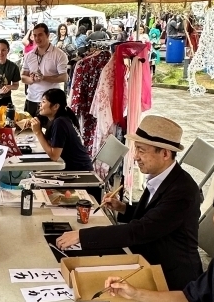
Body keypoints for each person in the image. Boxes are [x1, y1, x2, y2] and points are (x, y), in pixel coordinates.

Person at [56, 115, 202, 289]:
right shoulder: (162, 176)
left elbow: (141, 230)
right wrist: (123, 207)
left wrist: (82, 235)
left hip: (170, 275)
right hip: (148, 256)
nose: (135, 157)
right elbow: (154, 217)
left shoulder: (182, 191)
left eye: (141, 150)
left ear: (165, 153)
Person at [27, 89, 93, 171]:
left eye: (43, 102)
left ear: (55, 106)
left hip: (79, 172)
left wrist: (38, 132)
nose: (40, 105)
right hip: (76, 167)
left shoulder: (60, 123)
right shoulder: (61, 118)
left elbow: (54, 156)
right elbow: (50, 145)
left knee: (34, 176)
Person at [21, 22, 69, 118]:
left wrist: (44, 78)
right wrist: (32, 80)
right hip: (32, 99)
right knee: (29, 130)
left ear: (47, 35)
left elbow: (64, 77)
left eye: (40, 35)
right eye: (34, 35)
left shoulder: (59, 54)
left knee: (51, 131)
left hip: (51, 102)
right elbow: (22, 77)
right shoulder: (29, 55)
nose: (37, 38)